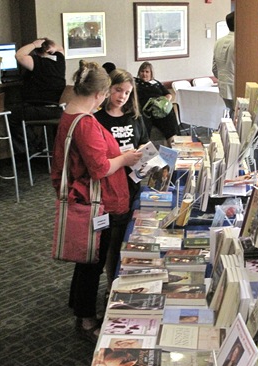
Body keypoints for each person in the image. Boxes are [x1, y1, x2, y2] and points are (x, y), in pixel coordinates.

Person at [51, 60, 142, 343]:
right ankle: (87, 318)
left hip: (90, 198)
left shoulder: (69, 115)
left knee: (88, 256)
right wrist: (125, 159)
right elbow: (100, 168)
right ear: (99, 94)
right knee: (94, 259)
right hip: (97, 201)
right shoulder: (86, 123)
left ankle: (80, 307)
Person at [94, 68, 149, 297]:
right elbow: (97, 157)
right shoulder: (97, 120)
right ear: (108, 90)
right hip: (109, 188)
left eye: (127, 93)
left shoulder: (135, 118)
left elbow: (145, 144)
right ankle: (110, 285)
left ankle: (125, 280)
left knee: (131, 237)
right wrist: (122, 158)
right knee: (111, 242)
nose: (122, 97)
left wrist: (141, 156)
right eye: (118, 90)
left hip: (133, 183)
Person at [9, 38, 66, 154]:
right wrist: (53, 47)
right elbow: (60, 49)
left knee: (13, 115)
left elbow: (19, 55)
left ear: (36, 52)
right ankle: (36, 144)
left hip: (41, 109)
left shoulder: (38, 62)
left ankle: (32, 148)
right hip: (57, 109)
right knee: (20, 111)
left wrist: (33, 44)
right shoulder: (60, 61)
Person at [135, 61, 179, 146]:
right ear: (139, 73)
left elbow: (168, 94)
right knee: (143, 119)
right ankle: (145, 146)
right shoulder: (136, 83)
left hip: (159, 109)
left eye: (147, 72)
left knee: (169, 113)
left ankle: (172, 144)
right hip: (145, 110)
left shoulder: (156, 83)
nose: (144, 74)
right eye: (142, 71)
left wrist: (163, 103)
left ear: (151, 73)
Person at [212, 11, 235, 113]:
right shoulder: (240, 42)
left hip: (223, 85)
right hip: (236, 85)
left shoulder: (218, 42)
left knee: (231, 113)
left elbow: (214, 68)